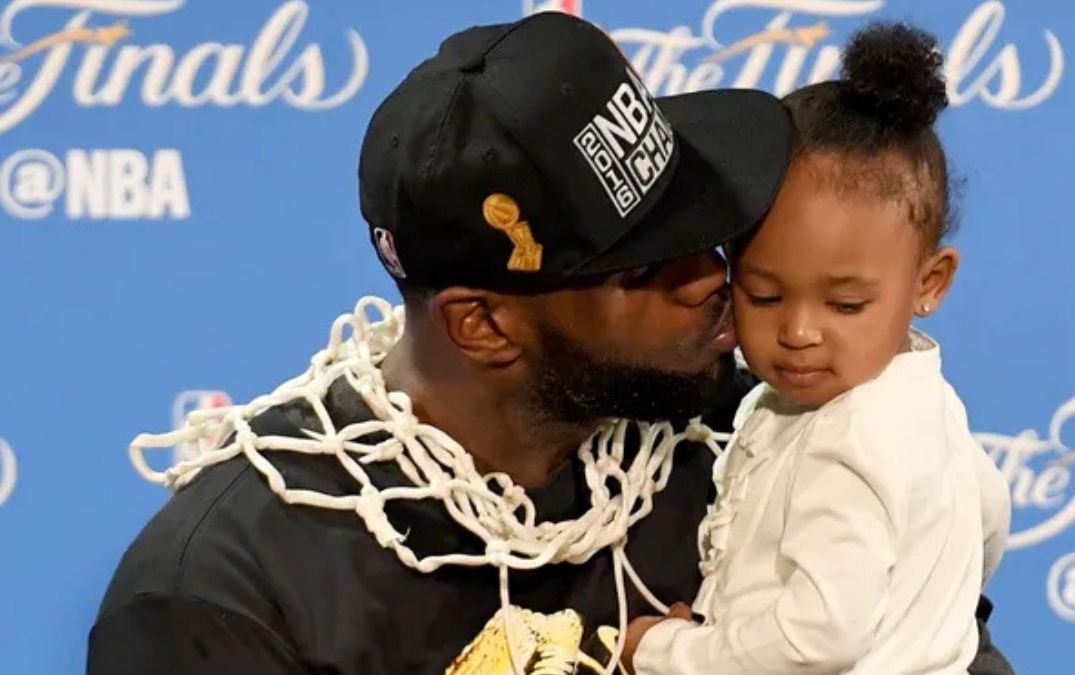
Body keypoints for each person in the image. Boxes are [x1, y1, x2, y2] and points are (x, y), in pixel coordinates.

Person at [87, 13, 1013, 675]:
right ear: (483, 323)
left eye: (701, 226)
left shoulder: (762, 427)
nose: (711, 279)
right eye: (644, 266)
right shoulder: (224, 596)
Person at [624, 22, 1012, 675]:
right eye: (765, 296)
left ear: (929, 282)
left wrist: (663, 651)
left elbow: (816, 641)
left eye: (846, 305)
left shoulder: (852, 435)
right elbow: (987, 513)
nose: (799, 332)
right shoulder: (926, 403)